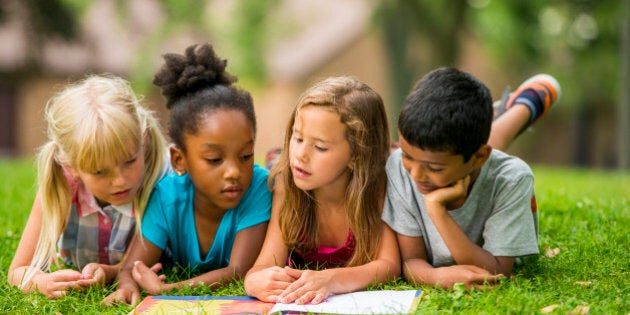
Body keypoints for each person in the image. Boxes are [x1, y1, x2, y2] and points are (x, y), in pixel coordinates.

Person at [104, 43, 272, 305]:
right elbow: (131, 267)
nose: (234, 172)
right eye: (214, 159)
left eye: (246, 156)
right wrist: (126, 285)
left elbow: (239, 270)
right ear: (179, 160)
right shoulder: (166, 197)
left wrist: (169, 290)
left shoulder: (258, 187)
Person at [381, 67, 561, 289]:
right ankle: (500, 113)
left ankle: (525, 105)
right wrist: (439, 278)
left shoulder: (512, 179)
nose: (415, 175)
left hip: (480, 160)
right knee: (460, 149)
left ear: (480, 156)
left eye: (434, 168)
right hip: (461, 153)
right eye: (408, 156)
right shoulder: (399, 168)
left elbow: (498, 270)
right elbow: (410, 261)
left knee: (491, 152)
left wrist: (437, 211)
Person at [8, 75, 169, 299]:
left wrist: (108, 272)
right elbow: (17, 271)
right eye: (100, 172)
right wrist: (40, 281)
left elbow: (144, 264)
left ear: (143, 141)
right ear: (71, 166)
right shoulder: (62, 183)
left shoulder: (161, 179)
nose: (121, 180)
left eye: (130, 161)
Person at [244, 76, 401, 305]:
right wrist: (254, 281)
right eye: (297, 138)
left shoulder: (377, 187)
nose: (300, 155)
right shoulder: (288, 184)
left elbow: (389, 265)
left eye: (319, 147)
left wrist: (331, 280)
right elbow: (266, 263)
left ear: (356, 156)